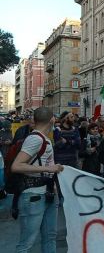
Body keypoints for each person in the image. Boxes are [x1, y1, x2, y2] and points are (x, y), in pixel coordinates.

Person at [11, 107, 64, 252]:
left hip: (47, 193)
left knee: (50, 237)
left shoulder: (44, 138)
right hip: (33, 195)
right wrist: (48, 169)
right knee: (27, 243)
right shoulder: (35, 139)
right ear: (52, 119)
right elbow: (16, 166)